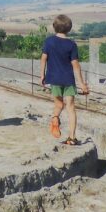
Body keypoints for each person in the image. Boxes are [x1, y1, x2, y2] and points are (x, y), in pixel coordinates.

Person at [39, 14, 90, 145]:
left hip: (54, 79)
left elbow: (43, 58)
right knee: (70, 108)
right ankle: (71, 138)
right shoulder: (71, 45)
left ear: (54, 27)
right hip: (68, 80)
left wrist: (42, 75)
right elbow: (76, 66)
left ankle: (55, 118)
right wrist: (82, 84)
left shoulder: (49, 41)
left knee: (58, 105)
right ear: (69, 28)